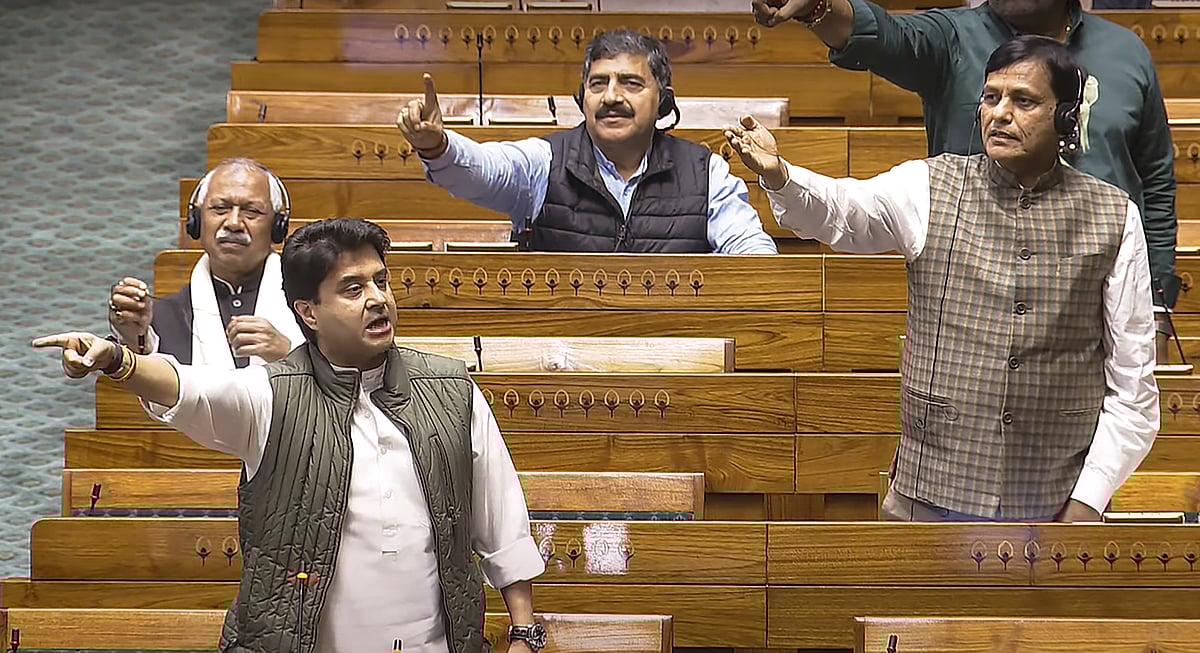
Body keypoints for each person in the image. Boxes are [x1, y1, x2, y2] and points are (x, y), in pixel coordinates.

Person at [37, 218, 547, 653]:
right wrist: (119, 359)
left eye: (381, 282)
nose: (376, 300)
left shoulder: (451, 389)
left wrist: (524, 631)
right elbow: (188, 388)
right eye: (353, 289)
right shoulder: (271, 395)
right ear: (308, 312)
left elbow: (498, 515)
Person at [725, 36, 1158, 522]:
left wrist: (1088, 499)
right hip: (925, 498)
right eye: (991, 98)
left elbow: (1133, 390)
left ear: (1066, 118)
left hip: (1054, 507)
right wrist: (780, 175)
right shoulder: (928, 184)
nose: (1000, 114)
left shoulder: (1115, 216)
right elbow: (842, 212)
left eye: (1024, 101)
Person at [751, 0, 1179, 307]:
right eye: (992, 97)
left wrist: (1157, 307)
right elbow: (883, 36)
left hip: (1104, 294)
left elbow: (1154, 182)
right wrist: (817, 9)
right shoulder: (950, 38)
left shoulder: (1127, 54)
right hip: (978, 296)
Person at [397, 29, 778, 254]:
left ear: (662, 99)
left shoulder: (707, 173)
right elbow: (481, 169)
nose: (611, 96)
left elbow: (752, 255)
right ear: (583, 98)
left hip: (676, 353)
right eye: (598, 83)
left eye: (630, 83)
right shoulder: (543, 161)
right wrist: (438, 146)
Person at [108, 158, 304, 368]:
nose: (234, 223)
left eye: (252, 211)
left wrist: (287, 355)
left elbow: (339, 385)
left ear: (277, 226)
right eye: (220, 208)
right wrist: (132, 339)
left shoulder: (311, 306)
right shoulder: (161, 318)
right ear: (197, 221)